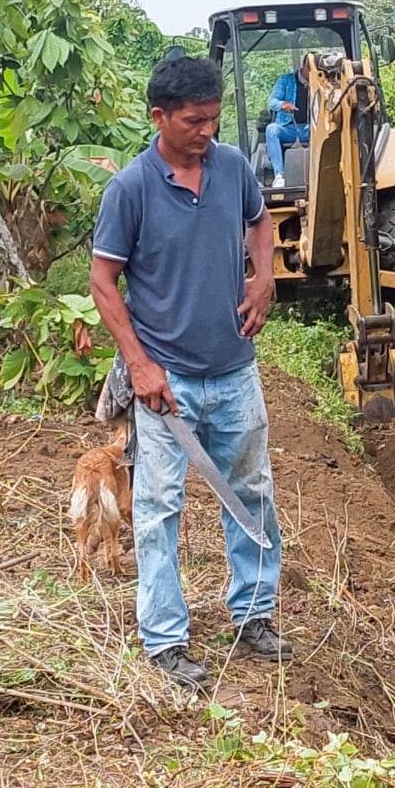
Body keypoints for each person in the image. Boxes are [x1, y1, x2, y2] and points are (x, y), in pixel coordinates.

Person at [89, 55, 292, 691]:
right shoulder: (131, 189)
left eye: (212, 120)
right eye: (193, 121)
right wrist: (139, 365)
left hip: (234, 372)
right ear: (160, 117)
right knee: (158, 509)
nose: (206, 132)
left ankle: (254, 615)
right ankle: (165, 639)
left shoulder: (232, 168)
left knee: (251, 493)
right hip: (166, 383)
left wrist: (264, 277)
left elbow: (259, 222)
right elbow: (103, 281)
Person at [263, 61, 310, 186]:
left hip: (312, 129)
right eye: (310, 69)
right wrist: (283, 105)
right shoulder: (285, 80)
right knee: (271, 130)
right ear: (304, 66)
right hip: (289, 128)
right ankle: (279, 175)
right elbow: (272, 102)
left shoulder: (322, 82)